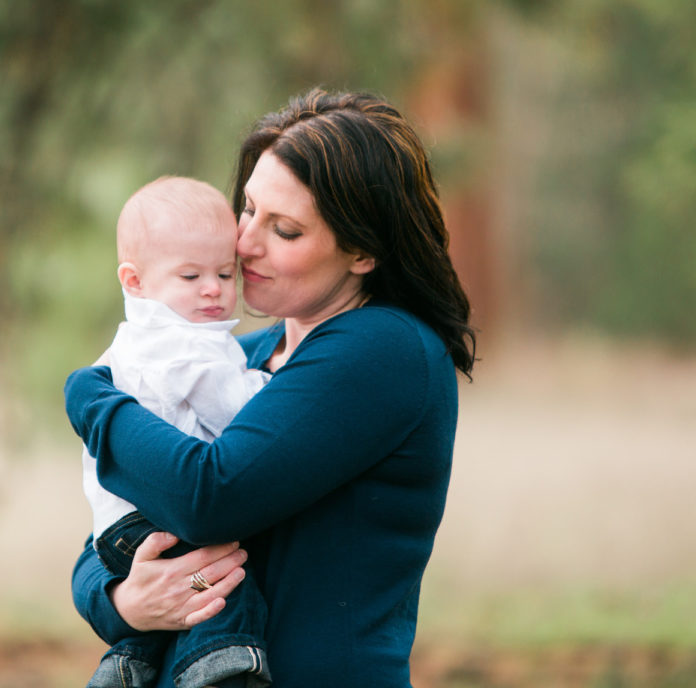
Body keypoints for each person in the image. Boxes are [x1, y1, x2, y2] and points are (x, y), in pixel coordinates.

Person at [66, 89, 476, 688]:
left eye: (284, 229)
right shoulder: (240, 359)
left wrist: (91, 401)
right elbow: (107, 535)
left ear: (362, 250)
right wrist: (127, 603)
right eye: (249, 209)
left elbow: (208, 497)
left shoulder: (382, 350)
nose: (246, 242)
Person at [81, 176, 273, 688]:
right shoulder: (184, 345)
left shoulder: (132, 343)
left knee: (173, 602)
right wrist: (275, 384)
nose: (213, 288)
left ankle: (126, 666)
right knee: (225, 580)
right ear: (135, 280)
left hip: (118, 528)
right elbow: (242, 414)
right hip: (155, 518)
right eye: (190, 276)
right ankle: (220, 667)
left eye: (224, 273)